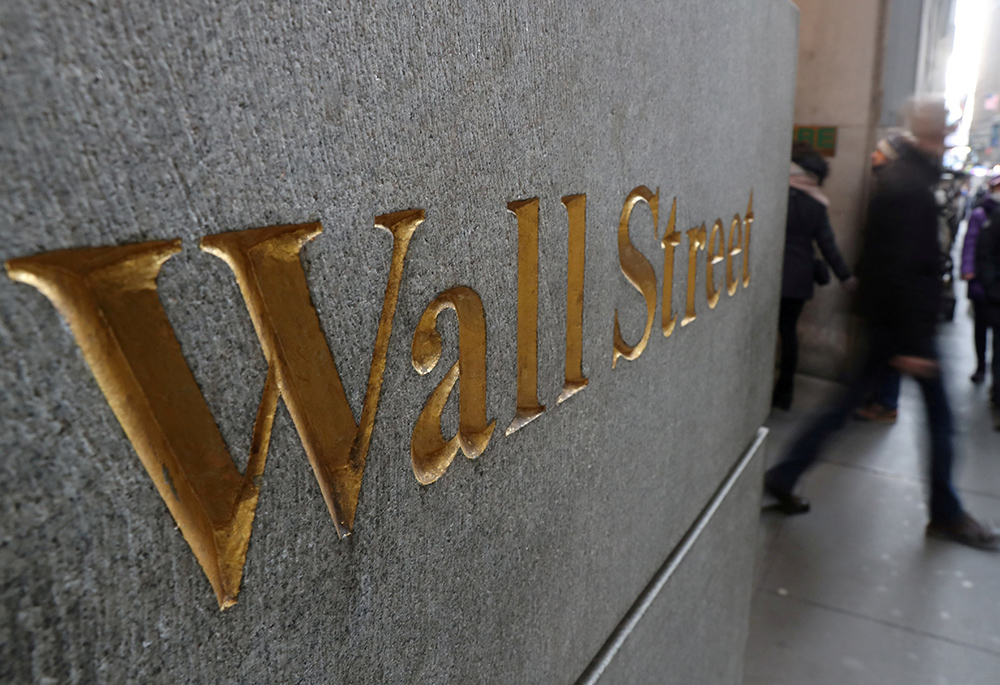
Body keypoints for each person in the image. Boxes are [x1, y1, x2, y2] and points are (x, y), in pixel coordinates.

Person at [764, 98, 999, 551]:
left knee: (841, 409)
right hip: (904, 327)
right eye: (943, 130)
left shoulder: (906, 178)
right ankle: (947, 513)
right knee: (938, 421)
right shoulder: (907, 185)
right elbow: (898, 265)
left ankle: (785, 472)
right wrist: (912, 341)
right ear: (931, 132)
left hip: (894, 323)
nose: (946, 137)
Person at [773, 143, 853, 410]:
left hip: (772, 273)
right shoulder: (817, 204)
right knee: (789, 334)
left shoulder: (778, 192)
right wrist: (845, 276)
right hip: (798, 279)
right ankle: (785, 392)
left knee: (765, 330)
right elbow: (828, 244)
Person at [962, 173, 1000, 386]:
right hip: (980, 281)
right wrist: (968, 270)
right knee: (980, 326)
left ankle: (995, 376)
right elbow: (970, 244)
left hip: (995, 284)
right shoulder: (980, 214)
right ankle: (981, 366)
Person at [973, 176, 1000, 429]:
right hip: (993, 295)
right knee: (987, 335)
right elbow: (982, 251)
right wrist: (991, 287)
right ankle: (984, 370)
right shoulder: (991, 217)